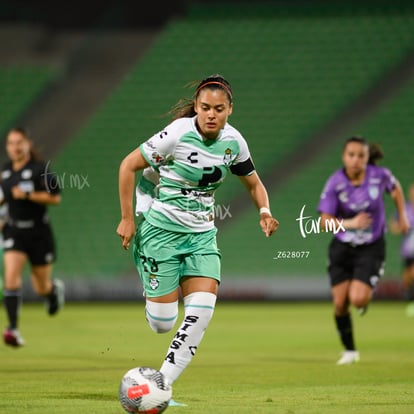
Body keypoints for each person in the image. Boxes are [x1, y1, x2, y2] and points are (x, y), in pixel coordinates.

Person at [116, 74, 279, 393]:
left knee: (201, 314)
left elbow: (255, 183)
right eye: (205, 107)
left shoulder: (234, 142)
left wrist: (264, 211)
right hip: (160, 234)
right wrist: (127, 219)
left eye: (219, 108)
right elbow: (127, 166)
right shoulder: (176, 134)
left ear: (230, 109)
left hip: (202, 238)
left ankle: (161, 386)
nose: (211, 114)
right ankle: (148, 273)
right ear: (196, 107)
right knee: (162, 324)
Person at [317, 136, 409, 365]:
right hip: (342, 247)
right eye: (351, 155)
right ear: (343, 156)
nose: (356, 160)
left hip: (371, 247)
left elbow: (396, 189)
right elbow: (323, 222)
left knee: (357, 300)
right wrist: (350, 223)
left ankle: (366, 293)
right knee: (340, 304)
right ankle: (350, 351)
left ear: (368, 158)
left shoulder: (380, 176)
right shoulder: (335, 183)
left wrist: (403, 217)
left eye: (361, 155)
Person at [1, 127, 65, 347]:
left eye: (19, 142)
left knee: (40, 287)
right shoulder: (6, 172)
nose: (15, 147)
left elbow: (56, 198)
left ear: (27, 144)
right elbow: (4, 200)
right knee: (10, 277)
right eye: (11, 143)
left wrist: (28, 194)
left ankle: (52, 292)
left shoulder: (40, 169)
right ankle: (12, 329)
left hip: (39, 234)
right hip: (15, 232)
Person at [389, 183, 414, 316]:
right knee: (407, 278)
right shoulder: (404, 209)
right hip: (408, 249)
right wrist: (402, 227)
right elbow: (393, 227)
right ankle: (409, 297)